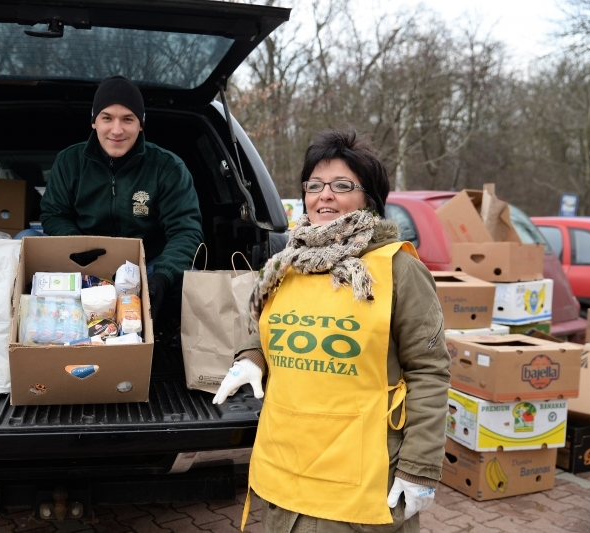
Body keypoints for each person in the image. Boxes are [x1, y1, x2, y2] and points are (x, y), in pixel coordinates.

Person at [213, 129, 451, 533]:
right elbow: (270, 325)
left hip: (360, 484)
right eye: (315, 185)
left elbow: (429, 372)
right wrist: (251, 356)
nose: (325, 195)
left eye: (342, 185)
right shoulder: (288, 263)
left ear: (368, 199)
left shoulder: (397, 269)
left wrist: (420, 466)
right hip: (286, 472)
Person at [39, 75, 203, 321]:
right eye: (107, 118)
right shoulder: (69, 162)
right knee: (21, 241)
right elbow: (54, 215)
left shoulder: (167, 167)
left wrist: (162, 276)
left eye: (127, 119)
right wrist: (79, 250)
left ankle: (163, 344)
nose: (117, 130)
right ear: (94, 122)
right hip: (79, 263)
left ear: (141, 124)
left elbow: (185, 231)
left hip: (147, 267)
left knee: (194, 282)